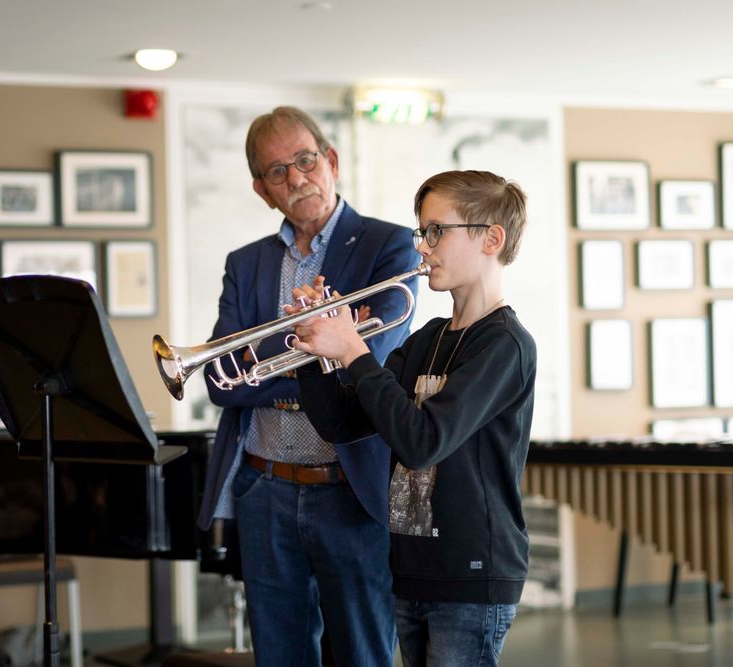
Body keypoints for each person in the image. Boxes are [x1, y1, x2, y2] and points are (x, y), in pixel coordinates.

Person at [197, 106, 419, 666]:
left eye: (305, 160)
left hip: (350, 486)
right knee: (279, 656)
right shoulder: (244, 264)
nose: (296, 178)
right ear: (261, 190)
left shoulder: (387, 246)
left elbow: (377, 354)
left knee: (362, 655)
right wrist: (317, 354)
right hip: (263, 488)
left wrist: (271, 355)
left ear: (331, 161)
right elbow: (224, 379)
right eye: (278, 171)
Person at [289, 170, 536, 667]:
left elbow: (423, 441)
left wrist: (355, 351)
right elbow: (343, 423)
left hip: (471, 575)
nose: (423, 247)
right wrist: (317, 354)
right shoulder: (426, 338)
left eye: (436, 231)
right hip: (411, 569)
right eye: (421, 232)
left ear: (491, 238)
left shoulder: (505, 344)